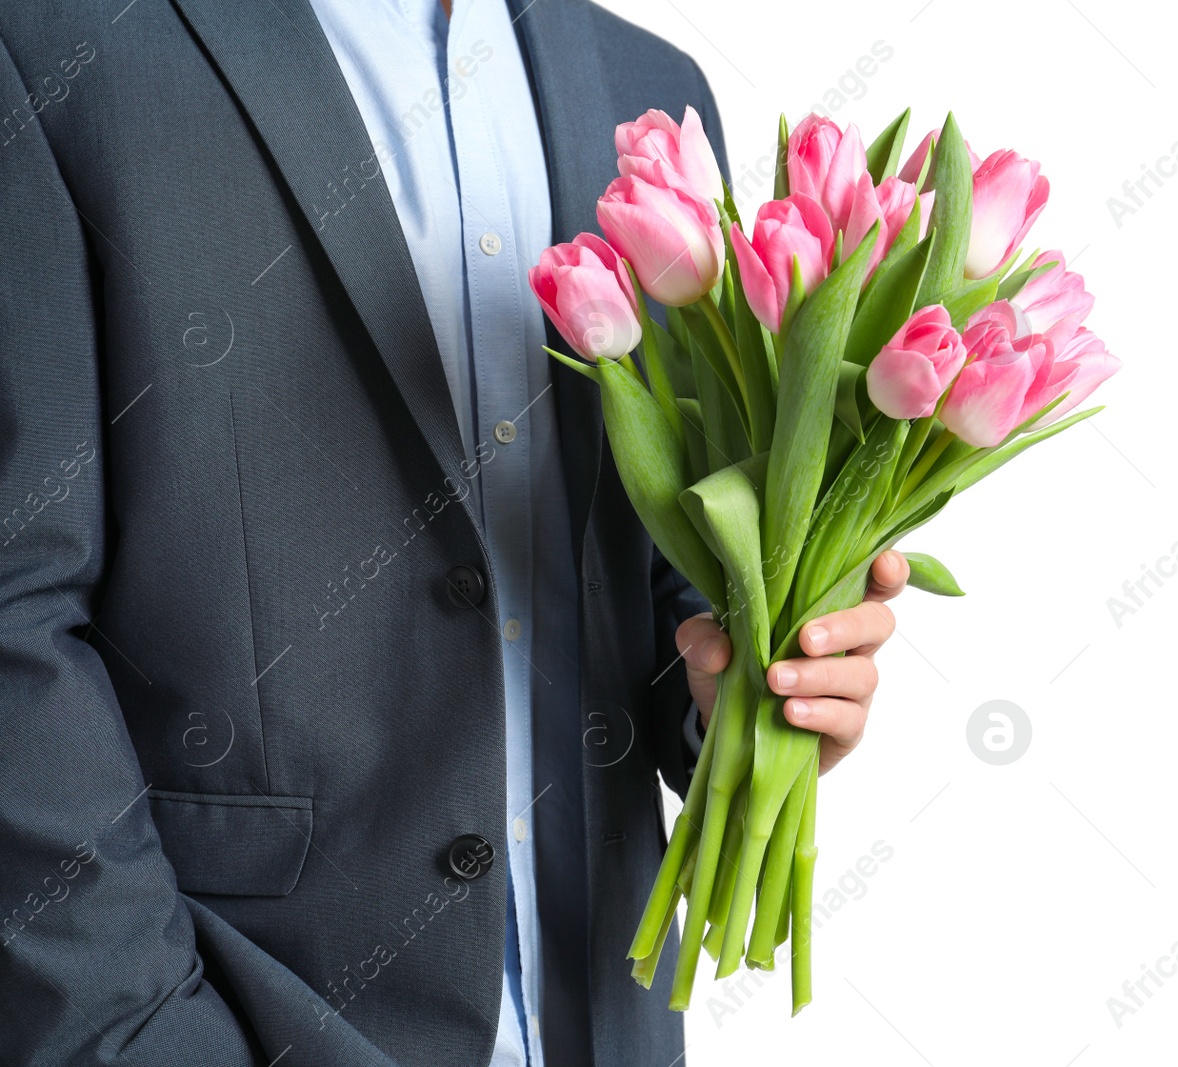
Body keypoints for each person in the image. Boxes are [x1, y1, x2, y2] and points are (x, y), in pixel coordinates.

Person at [0, 1, 902, 1064]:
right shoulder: (53, 43)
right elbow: (18, 613)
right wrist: (148, 1035)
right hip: (250, 1011)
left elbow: (657, 568)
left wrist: (754, 681)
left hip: (603, 1017)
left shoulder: (642, 80)